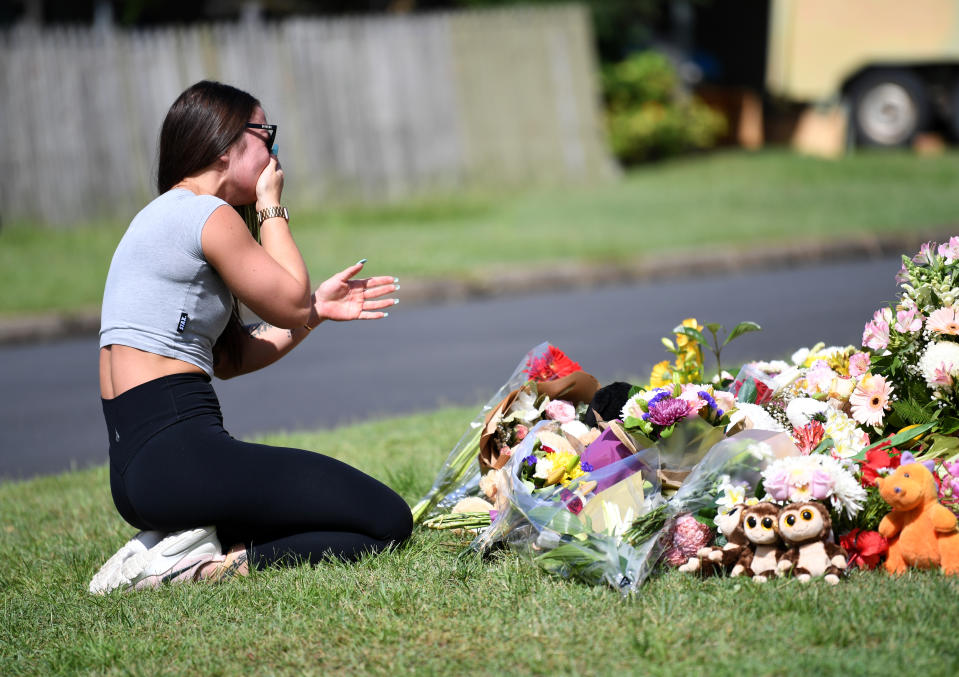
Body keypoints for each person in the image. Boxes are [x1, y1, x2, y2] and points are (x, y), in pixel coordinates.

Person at [88, 80, 413, 593]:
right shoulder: (206, 216)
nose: (274, 151)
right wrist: (270, 205)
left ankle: (180, 543)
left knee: (324, 519)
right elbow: (287, 297)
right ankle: (197, 568)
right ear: (224, 143)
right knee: (387, 520)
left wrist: (314, 314)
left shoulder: (156, 219)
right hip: (180, 453)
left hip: (140, 474)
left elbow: (232, 357)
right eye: (265, 134)